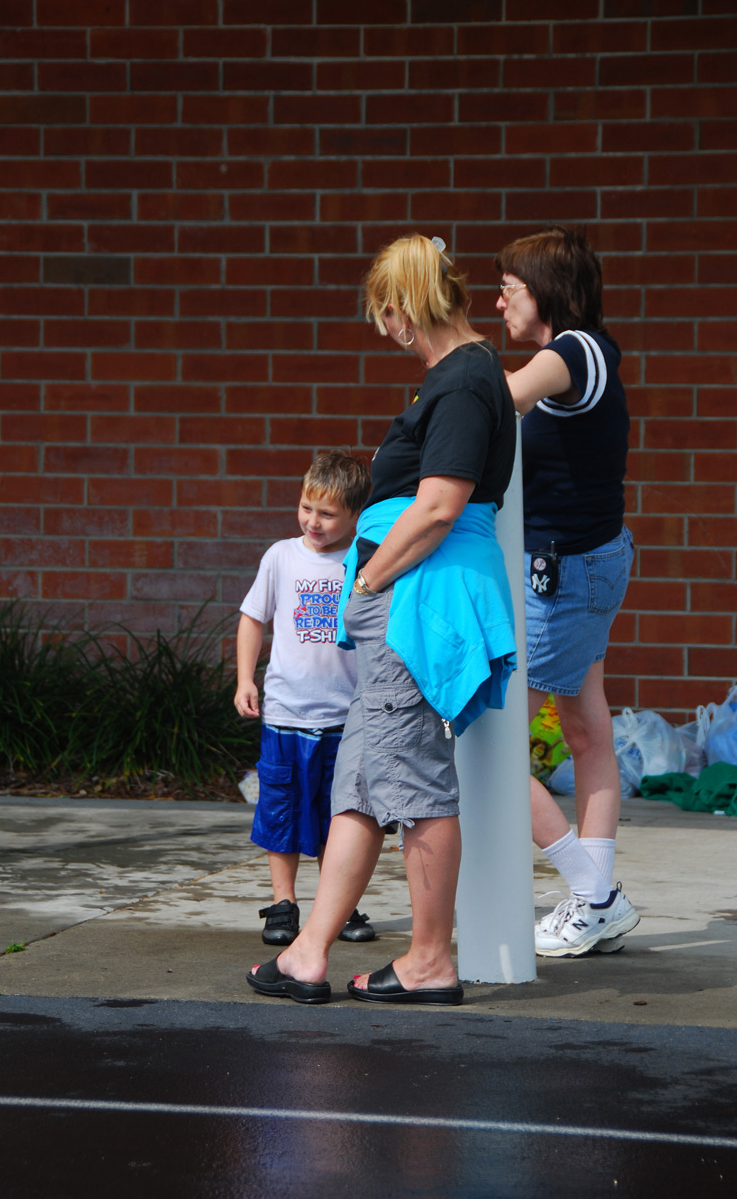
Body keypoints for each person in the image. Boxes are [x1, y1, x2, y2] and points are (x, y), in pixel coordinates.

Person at [245, 234, 517, 1005]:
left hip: (414, 601)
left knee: (416, 785)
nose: (385, 330)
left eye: (383, 316)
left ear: (401, 311)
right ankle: (308, 952)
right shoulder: (462, 379)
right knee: (360, 787)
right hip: (403, 601)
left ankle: (430, 958)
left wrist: (366, 577)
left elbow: (437, 506)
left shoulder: (462, 382)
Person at [495, 224, 638, 958]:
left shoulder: (572, 351)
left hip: (568, 574)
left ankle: (594, 895)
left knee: (490, 742)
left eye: (508, 289)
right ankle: (595, 895)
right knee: (584, 731)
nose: (498, 303)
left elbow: (494, 404)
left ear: (543, 292)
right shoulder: (585, 356)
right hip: (580, 566)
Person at [234, 449, 378, 947]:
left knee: (341, 816)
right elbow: (253, 617)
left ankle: (338, 903)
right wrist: (244, 679)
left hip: (346, 717)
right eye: (306, 508)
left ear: (356, 515)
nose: (312, 522)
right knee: (282, 809)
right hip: (286, 715)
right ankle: (284, 902)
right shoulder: (281, 556)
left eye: (328, 513)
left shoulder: (366, 557)